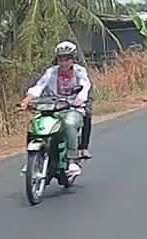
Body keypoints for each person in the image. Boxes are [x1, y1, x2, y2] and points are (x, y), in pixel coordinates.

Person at [19, 40, 93, 177]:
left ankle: (72, 160)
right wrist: (27, 100)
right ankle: (32, 160)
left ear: (73, 59)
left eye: (67, 59)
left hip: (72, 107)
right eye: (61, 59)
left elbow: (85, 86)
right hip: (53, 106)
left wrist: (80, 99)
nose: (64, 63)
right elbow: (39, 86)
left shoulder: (79, 71)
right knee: (35, 124)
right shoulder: (51, 72)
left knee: (69, 123)